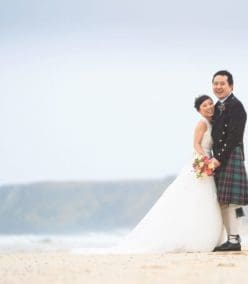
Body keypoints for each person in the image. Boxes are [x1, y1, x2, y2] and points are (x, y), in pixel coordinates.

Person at [75, 95, 224, 254]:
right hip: (200, 162)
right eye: (204, 106)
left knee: (204, 198)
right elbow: (195, 144)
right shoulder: (202, 123)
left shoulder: (212, 123)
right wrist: (205, 159)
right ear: (199, 110)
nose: (208, 107)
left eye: (210, 104)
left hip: (207, 164)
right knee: (193, 197)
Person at [210, 70, 248, 252]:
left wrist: (219, 158)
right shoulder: (217, 107)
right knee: (225, 201)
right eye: (215, 83)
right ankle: (231, 239)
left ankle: (234, 240)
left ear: (231, 86)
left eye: (222, 84)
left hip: (230, 155)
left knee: (234, 202)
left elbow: (234, 137)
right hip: (220, 157)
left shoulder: (236, 106)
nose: (218, 87)